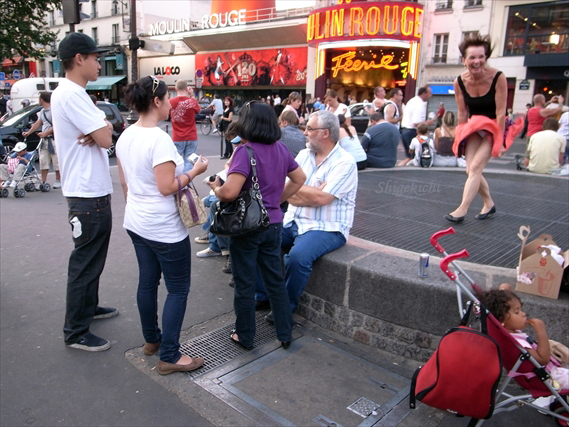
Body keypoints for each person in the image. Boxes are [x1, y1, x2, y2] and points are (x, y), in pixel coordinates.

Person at [117, 76, 209, 374]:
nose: (171, 103)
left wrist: (137, 206)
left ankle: (151, 341)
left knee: (147, 281)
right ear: (155, 102)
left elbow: (125, 183)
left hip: (136, 221)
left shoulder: (126, 135)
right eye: (167, 98)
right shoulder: (158, 140)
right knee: (178, 289)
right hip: (163, 227)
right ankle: (170, 355)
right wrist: (194, 171)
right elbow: (168, 187)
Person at [210, 101, 306, 350]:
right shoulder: (280, 149)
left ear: (247, 123)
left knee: (245, 283)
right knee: (275, 281)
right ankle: (285, 333)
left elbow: (230, 192)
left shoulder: (245, 151)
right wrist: (276, 200)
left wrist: (216, 189)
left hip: (248, 227)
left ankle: (245, 335)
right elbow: (299, 178)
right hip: (273, 225)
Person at [51, 32, 117, 352]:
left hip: (88, 191)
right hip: (87, 193)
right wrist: (101, 129)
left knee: (91, 258)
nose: (99, 64)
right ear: (79, 59)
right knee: (86, 262)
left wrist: (101, 127)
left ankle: (88, 309)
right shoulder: (74, 95)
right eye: (94, 58)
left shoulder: (72, 93)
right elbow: (107, 138)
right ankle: (76, 330)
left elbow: (105, 131)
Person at [260, 110, 358, 318]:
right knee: (262, 240)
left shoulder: (345, 162)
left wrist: (299, 189)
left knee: (298, 257)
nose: (304, 132)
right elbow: (285, 191)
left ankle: (284, 308)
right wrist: (311, 190)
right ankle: (262, 295)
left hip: (327, 227)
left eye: (310, 129)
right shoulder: (304, 154)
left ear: (325, 133)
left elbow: (322, 199)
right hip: (295, 219)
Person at [445, 35, 523, 223]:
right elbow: (462, 113)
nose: (477, 61)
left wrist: (500, 142)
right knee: (471, 170)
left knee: (475, 167)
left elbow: (500, 112)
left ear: (486, 58)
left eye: (481, 56)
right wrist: (458, 137)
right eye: (472, 57)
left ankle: (462, 209)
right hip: (474, 125)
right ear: (464, 60)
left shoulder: (498, 77)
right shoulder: (459, 82)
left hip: (495, 125)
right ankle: (488, 203)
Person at [477, 284, 569, 390]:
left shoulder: (505, 331)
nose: (523, 314)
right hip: (550, 377)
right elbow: (544, 359)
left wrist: (504, 290)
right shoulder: (517, 343)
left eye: (520, 309)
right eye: (517, 312)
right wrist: (541, 331)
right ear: (502, 319)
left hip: (551, 369)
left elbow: (500, 305)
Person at [22, 92, 61, 188]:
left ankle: (58, 180)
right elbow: (37, 123)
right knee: (43, 161)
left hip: (54, 139)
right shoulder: (42, 111)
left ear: (42, 100)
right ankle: (43, 181)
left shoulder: (54, 110)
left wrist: (46, 133)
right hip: (44, 140)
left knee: (56, 161)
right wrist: (28, 133)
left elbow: (57, 125)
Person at [169, 80, 200, 173]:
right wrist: (192, 95)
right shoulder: (192, 101)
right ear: (187, 89)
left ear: (176, 88)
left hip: (177, 137)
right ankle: (185, 184)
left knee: (176, 163)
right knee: (189, 162)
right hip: (191, 136)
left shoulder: (170, 101)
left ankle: (177, 183)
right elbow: (198, 110)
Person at [399, 86, 435, 166]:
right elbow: (416, 123)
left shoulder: (413, 101)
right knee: (412, 157)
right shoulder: (420, 104)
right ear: (424, 93)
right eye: (429, 93)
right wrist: (427, 123)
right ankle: (398, 168)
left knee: (410, 156)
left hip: (405, 130)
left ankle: (399, 168)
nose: (431, 95)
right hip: (411, 131)